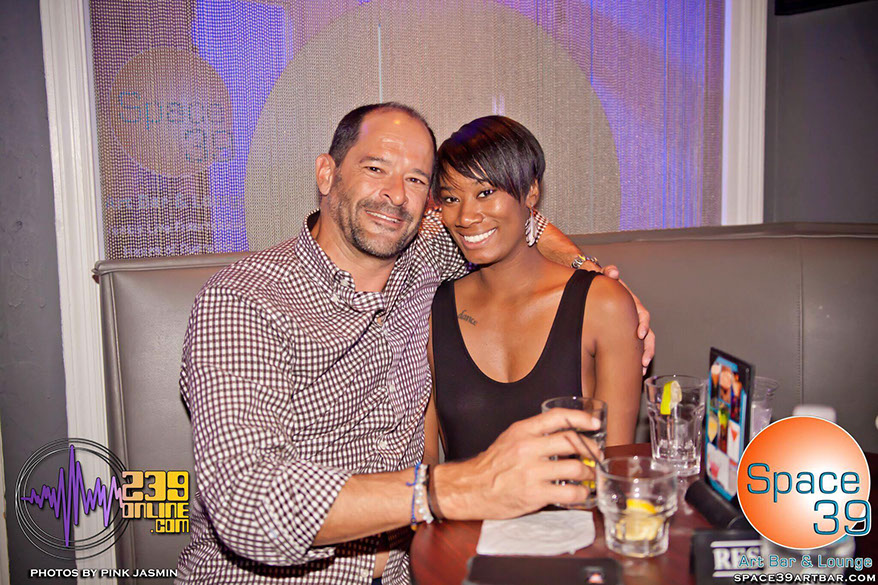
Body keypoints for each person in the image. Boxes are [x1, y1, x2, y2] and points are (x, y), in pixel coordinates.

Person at [176, 103, 652, 584]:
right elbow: (246, 504)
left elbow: (515, 220)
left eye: (416, 179)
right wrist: (454, 488)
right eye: (375, 168)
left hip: (415, 571)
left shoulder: (424, 257)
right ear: (327, 173)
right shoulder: (245, 300)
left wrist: (593, 277)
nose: (395, 194)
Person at [425, 116, 642, 464]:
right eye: (451, 198)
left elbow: (614, 464)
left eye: (485, 193)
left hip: (579, 501)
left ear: (531, 192)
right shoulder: (432, 312)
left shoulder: (602, 305)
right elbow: (425, 469)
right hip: (463, 502)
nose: (465, 216)